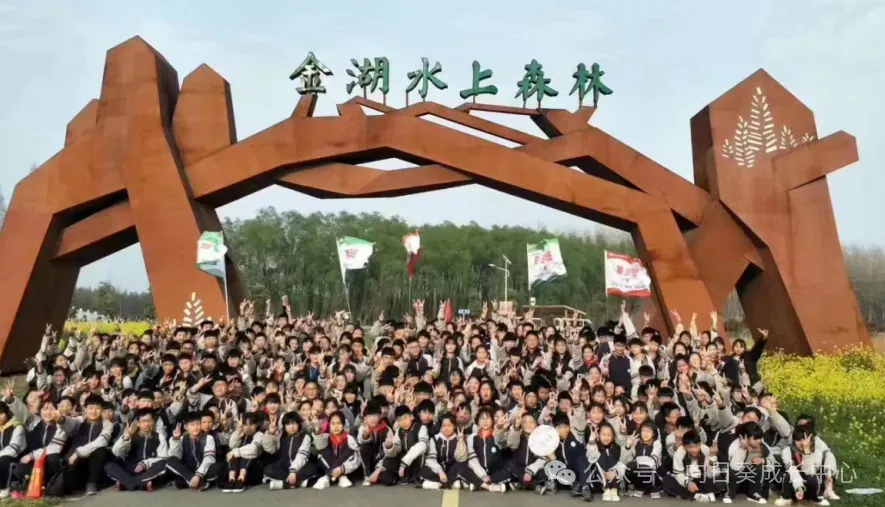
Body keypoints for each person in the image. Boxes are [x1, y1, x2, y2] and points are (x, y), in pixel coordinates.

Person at [56, 394, 114, 496]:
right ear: (85, 409)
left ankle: (91, 483)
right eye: (90, 408)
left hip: (95, 465)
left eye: (97, 408)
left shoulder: (107, 424)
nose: (93, 411)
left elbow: (102, 441)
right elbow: (68, 423)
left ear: (102, 410)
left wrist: (78, 452)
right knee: (65, 487)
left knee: (99, 449)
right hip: (77, 463)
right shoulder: (79, 421)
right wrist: (60, 419)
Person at [105, 408, 169, 491]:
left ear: (153, 422)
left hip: (148, 470)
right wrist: (126, 438)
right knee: (109, 465)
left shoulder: (159, 437)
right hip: (130, 469)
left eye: (149, 421)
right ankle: (140, 483)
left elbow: (162, 457)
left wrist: (145, 463)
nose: (146, 424)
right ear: (138, 423)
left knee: (163, 464)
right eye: (143, 421)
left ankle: (127, 483)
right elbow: (116, 452)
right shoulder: (131, 436)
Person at [661, 429, 724, 502]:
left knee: (720, 481)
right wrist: (688, 483)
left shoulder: (706, 450)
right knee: (667, 481)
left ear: (700, 443)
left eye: (696, 446)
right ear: (684, 446)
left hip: (702, 480)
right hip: (686, 481)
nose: (694, 450)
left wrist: (713, 457)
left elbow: (711, 475)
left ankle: (691, 495)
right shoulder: (679, 452)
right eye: (690, 447)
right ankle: (699, 495)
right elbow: (678, 474)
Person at [263, 411, 317, 489]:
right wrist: (270, 433)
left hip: (301, 466)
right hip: (284, 467)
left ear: (299, 424)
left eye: (294, 423)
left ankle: (284, 484)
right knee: (268, 469)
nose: (291, 427)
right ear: (284, 426)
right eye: (288, 424)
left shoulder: (305, 437)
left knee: (312, 468)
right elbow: (270, 449)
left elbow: (302, 456)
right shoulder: (280, 436)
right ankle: (297, 482)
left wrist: (293, 471)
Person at [165, 412, 219, 490]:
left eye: (198, 424)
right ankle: (196, 481)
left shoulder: (208, 438)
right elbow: (176, 456)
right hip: (188, 469)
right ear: (186, 427)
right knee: (170, 460)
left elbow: (209, 458)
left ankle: (190, 481)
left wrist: (198, 474)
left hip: (204, 470)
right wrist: (176, 439)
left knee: (219, 467)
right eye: (192, 425)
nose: (195, 427)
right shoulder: (182, 439)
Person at [313, 411, 360, 489]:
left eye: (339, 423)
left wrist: (342, 469)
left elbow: (356, 459)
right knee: (322, 450)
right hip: (329, 465)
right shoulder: (326, 437)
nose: (336, 426)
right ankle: (340, 477)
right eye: (333, 424)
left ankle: (328, 477)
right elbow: (319, 446)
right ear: (329, 425)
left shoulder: (349, 439)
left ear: (343, 425)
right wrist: (317, 429)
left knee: (349, 451)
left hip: (346, 469)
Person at [222, 412, 265, 493]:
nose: (248, 427)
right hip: (237, 469)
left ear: (256, 425)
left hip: (253, 471)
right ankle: (231, 479)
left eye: (251, 424)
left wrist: (235, 452)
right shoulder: (241, 434)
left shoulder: (259, 435)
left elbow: (253, 449)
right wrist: (238, 431)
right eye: (245, 424)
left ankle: (241, 479)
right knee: (234, 452)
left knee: (245, 454)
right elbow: (232, 445)